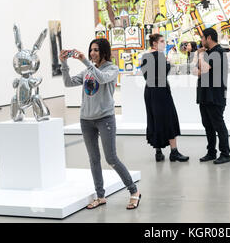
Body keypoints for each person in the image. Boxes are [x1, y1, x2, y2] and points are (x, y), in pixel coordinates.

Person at [60, 38, 141, 209]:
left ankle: (134, 191)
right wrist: (64, 63)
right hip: (86, 120)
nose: (92, 53)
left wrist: (85, 61)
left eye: (96, 50)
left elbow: (103, 79)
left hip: (105, 119)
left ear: (103, 51)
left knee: (111, 158)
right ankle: (100, 195)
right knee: (94, 159)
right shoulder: (88, 70)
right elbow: (68, 83)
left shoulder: (112, 69)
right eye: (91, 50)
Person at [140, 34, 189, 162]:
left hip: (150, 91)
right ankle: (174, 152)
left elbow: (146, 76)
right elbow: (163, 73)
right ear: (154, 43)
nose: (164, 44)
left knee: (154, 119)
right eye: (162, 41)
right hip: (161, 91)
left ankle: (158, 152)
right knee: (169, 118)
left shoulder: (145, 56)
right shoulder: (160, 56)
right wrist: (167, 63)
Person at [194, 28, 230, 164]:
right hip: (204, 94)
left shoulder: (219, 52)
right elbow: (195, 71)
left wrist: (200, 56)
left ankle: (225, 153)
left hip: (215, 95)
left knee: (218, 125)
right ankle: (211, 152)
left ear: (209, 38)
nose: (201, 41)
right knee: (207, 125)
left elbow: (203, 69)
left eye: (202, 38)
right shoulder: (207, 53)